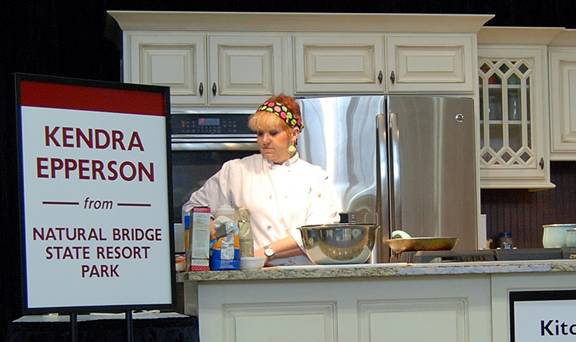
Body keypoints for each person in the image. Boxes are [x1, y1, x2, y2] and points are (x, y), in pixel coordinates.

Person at [182, 95, 341, 265]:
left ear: (294, 134)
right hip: (251, 275)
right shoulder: (236, 171)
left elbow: (317, 234)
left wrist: (267, 252)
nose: (264, 140)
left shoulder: (315, 176)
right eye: (260, 133)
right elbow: (192, 207)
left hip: (303, 277)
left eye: (273, 133)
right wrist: (210, 225)